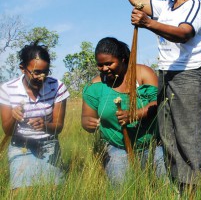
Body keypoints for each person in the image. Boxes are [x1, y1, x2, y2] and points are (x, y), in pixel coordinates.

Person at [110, 0, 201, 189]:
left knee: (189, 136)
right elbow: (137, 0)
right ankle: (177, 186)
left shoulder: (195, 7)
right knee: (167, 133)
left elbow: (184, 33)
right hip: (166, 75)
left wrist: (148, 23)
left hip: (188, 76)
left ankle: (193, 190)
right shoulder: (167, 7)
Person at [81, 37, 166, 185]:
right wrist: (87, 123)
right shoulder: (95, 86)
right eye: (100, 65)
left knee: (164, 188)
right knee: (122, 189)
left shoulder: (142, 74)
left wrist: (134, 115)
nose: (104, 68)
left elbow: (158, 102)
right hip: (118, 149)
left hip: (152, 145)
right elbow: (86, 117)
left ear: (123, 59)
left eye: (109, 63)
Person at [0, 41, 70, 190]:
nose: (42, 77)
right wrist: (14, 116)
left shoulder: (57, 87)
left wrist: (45, 126)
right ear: (23, 69)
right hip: (21, 145)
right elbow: (8, 131)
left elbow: (58, 127)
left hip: (48, 144)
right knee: (23, 192)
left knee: (53, 190)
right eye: (36, 72)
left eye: (46, 72)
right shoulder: (8, 89)